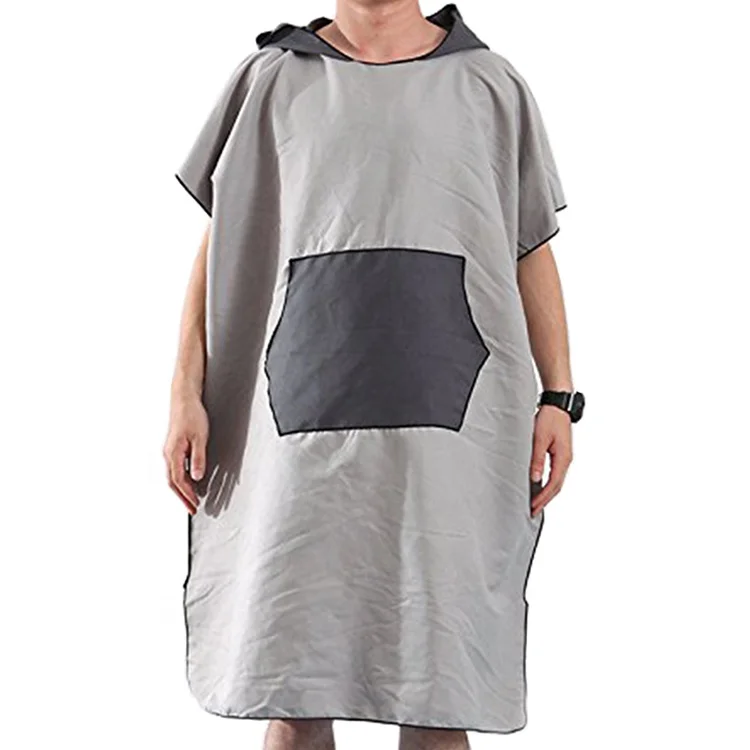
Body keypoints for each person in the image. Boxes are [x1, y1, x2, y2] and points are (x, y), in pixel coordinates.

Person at [164, 1, 585, 748]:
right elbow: (222, 242)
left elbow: (528, 247)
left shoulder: (489, 86)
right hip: (294, 426)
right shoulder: (270, 80)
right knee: (292, 682)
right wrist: (183, 393)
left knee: (439, 690)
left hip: (452, 432)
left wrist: (558, 396)